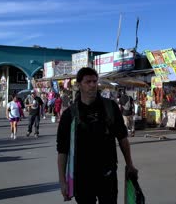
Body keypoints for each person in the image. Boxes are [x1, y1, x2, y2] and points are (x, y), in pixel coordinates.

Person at [57, 67, 138, 203]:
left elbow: (122, 138)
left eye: (95, 81)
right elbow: (62, 150)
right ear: (79, 85)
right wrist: (62, 181)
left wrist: (130, 164)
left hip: (107, 174)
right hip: (82, 177)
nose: (93, 85)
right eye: (88, 82)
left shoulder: (110, 107)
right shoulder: (69, 114)